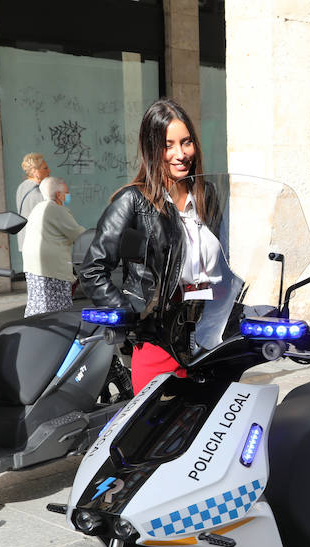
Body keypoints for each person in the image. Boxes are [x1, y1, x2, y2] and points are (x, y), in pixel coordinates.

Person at [79, 99, 233, 391]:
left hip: (212, 334)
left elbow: (229, 262)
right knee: (155, 429)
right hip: (160, 339)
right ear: (152, 149)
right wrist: (132, 317)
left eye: (186, 142)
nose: (180, 154)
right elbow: (92, 268)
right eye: (169, 145)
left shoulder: (207, 195)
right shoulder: (133, 202)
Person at [21, 176, 86, 316]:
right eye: (66, 193)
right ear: (58, 194)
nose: (68, 196)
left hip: (34, 266)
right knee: (56, 309)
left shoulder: (39, 207)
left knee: (38, 305)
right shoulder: (56, 209)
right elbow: (77, 234)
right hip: (50, 268)